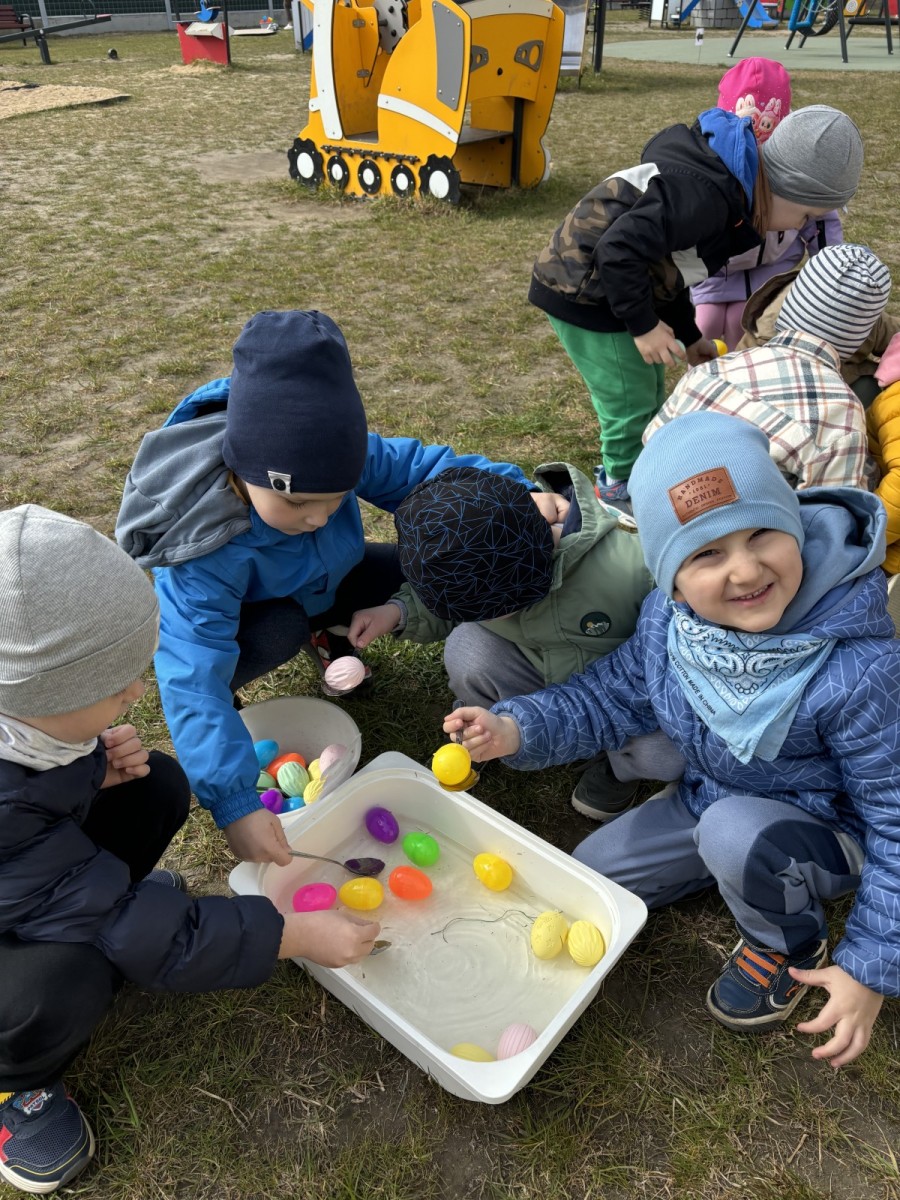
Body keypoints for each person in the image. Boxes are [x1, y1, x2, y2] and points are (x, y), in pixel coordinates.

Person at [444, 412, 900, 1065]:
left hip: (827, 828)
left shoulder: (861, 671)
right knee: (591, 881)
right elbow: (611, 695)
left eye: (762, 533)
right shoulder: (671, 620)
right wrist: (516, 727)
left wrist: (871, 969)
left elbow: (894, 816)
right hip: (708, 796)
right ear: (671, 580)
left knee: (735, 834)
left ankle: (787, 941)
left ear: (795, 524)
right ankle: (734, 863)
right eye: (706, 553)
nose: (745, 570)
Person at [0, 505, 380, 1194]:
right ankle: (16, 1083)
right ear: (40, 694)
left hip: (27, 877)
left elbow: (33, 811)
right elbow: (133, 925)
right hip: (20, 914)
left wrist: (88, 768)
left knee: (156, 785)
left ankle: (94, 910)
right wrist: (292, 935)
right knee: (61, 982)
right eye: (111, 686)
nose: (136, 691)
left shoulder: (23, 722)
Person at [115, 309, 550, 869]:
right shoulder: (203, 546)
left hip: (332, 577)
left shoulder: (334, 454)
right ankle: (281, 660)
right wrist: (235, 802)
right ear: (242, 471)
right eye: (296, 502)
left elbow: (427, 471)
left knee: (426, 568)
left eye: (336, 498)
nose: (318, 517)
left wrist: (515, 497)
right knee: (272, 635)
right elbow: (192, 672)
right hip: (259, 614)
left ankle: (328, 631)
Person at [528, 104, 864, 509]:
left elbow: (670, 269)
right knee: (630, 399)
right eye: (806, 214)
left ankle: (634, 469)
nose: (799, 227)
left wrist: (689, 337)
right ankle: (621, 488)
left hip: (615, 285)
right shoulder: (706, 197)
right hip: (586, 290)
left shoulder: (728, 193)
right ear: (783, 187)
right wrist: (643, 326)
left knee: (648, 386)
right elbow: (617, 250)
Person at [347, 464, 682, 820]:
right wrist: (397, 611)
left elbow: (665, 663)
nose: (481, 617)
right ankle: (486, 732)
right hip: (542, 671)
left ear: (528, 590)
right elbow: (455, 597)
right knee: (468, 647)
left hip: (624, 694)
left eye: (490, 612)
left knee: (664, 750)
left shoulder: (635, 571)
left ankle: (620, 770)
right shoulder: (493, 568)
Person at [647, 244, 893, 491]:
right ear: (860, 333)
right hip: (757, 511)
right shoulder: (842, 415)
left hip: (660, 498)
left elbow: (652, 441)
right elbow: (835, 504)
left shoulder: (709, 372)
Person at [690, 59, 843, 352]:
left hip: (771, 264)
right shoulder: (712, 157)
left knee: (741, 323)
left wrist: (828, 268)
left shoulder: (797, 163)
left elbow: (820, 217)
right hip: (718, 267)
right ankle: (698, 375)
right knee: (705, 324)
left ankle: (741, 373)